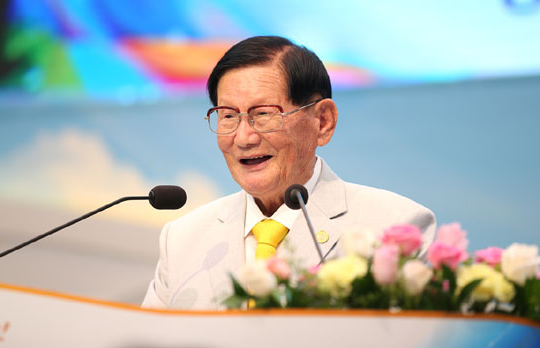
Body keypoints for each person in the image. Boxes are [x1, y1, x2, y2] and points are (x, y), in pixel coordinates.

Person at [142, 36, 435, 310]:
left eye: (264, 114)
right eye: (228, 116)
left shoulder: (395, 228)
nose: (243, 138)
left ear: (322, 122)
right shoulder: (181, 239)